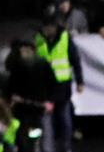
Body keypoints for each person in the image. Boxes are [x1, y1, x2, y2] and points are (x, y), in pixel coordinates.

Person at [32, 15, 83, 152]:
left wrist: (80, 81)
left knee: (64, 120)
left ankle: (66, 147)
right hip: (45, 88)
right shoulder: (38, 39)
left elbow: (75, 60)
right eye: (46, 27)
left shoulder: (65, 38)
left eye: (50, 27)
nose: (48, 30)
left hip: (62, 87)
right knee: (46, 122)